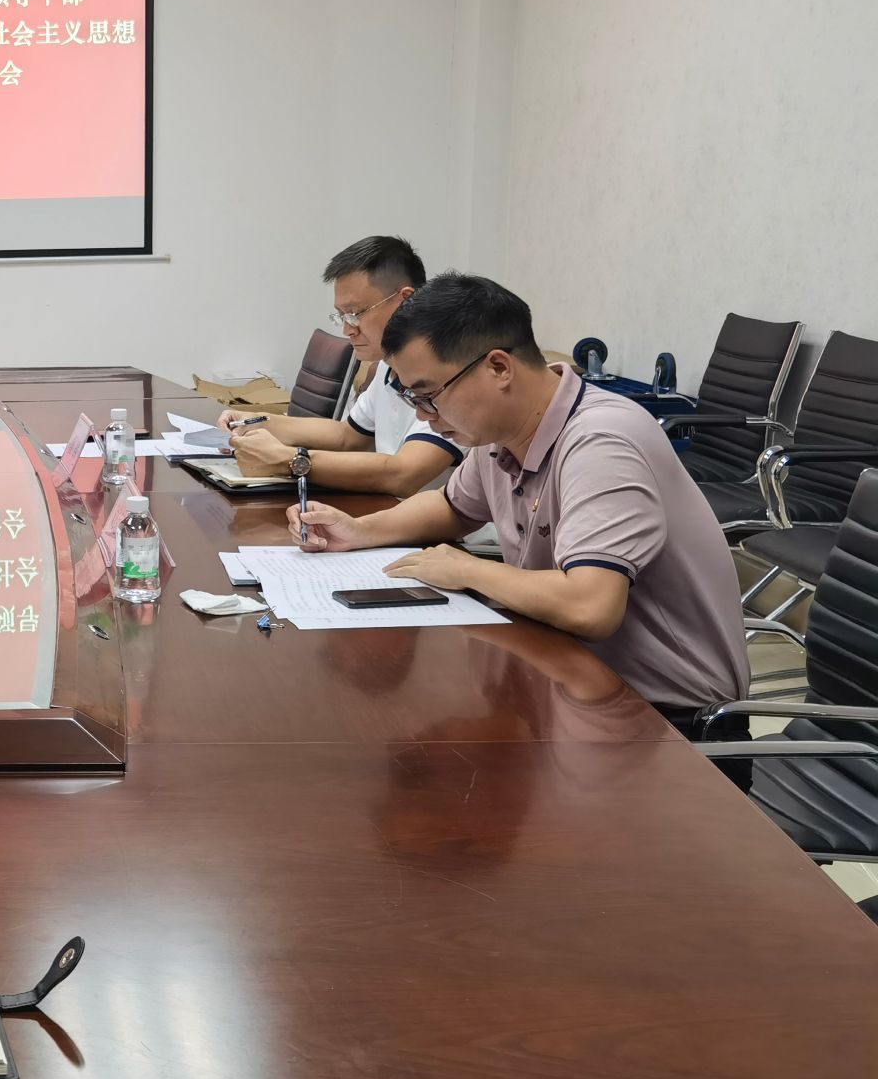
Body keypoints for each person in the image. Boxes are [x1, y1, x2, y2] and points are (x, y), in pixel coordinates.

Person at [287, 273, 749, 730]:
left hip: (666, 721)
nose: (425, 417)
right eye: (413, 399)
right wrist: (360, 530)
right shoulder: (501, 433)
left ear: (498, 368)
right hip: (567, 679)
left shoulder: (601, 441)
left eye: (429, 396)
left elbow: (590, 606)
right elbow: (452, 507)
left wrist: (467, 570)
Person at [225, 236, 460, 494]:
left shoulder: (449, 376)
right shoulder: (387, 366)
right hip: (385, 508)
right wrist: (258, 421)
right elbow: (347, 436)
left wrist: (290, 459)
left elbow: (405, 474)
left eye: (356, 313)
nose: (348, 329)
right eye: (342, 316)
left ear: (404, 301)